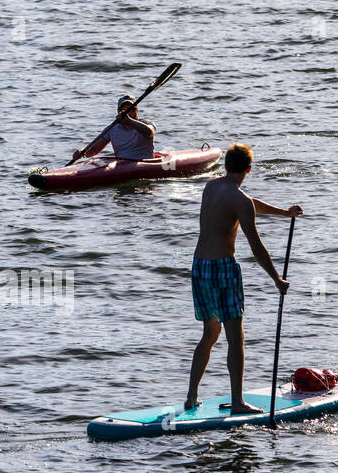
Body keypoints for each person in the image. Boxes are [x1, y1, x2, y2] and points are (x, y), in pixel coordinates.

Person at [185, 143, 302, 412]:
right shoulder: (240, 200)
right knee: (235, 337)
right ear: (249, 168)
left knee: (209, 335)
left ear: (226, 166)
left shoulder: (212, 186)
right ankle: (237, 402)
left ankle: (191, 396)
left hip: (199, 267)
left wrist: (285, 213)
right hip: (223, 269)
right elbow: (257, 246)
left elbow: (248, 202)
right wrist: (276, 279)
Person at [72, 94, 157, 161]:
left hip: (144, 163)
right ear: (118, 112)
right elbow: (94, 150)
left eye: (131, 109)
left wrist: (129, 121)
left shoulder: (146, 123)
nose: (128, 113)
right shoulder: (112, 129)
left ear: (137, 110)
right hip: (122, 165)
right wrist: (81, 152)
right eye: (124, 110)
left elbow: (149, 132)